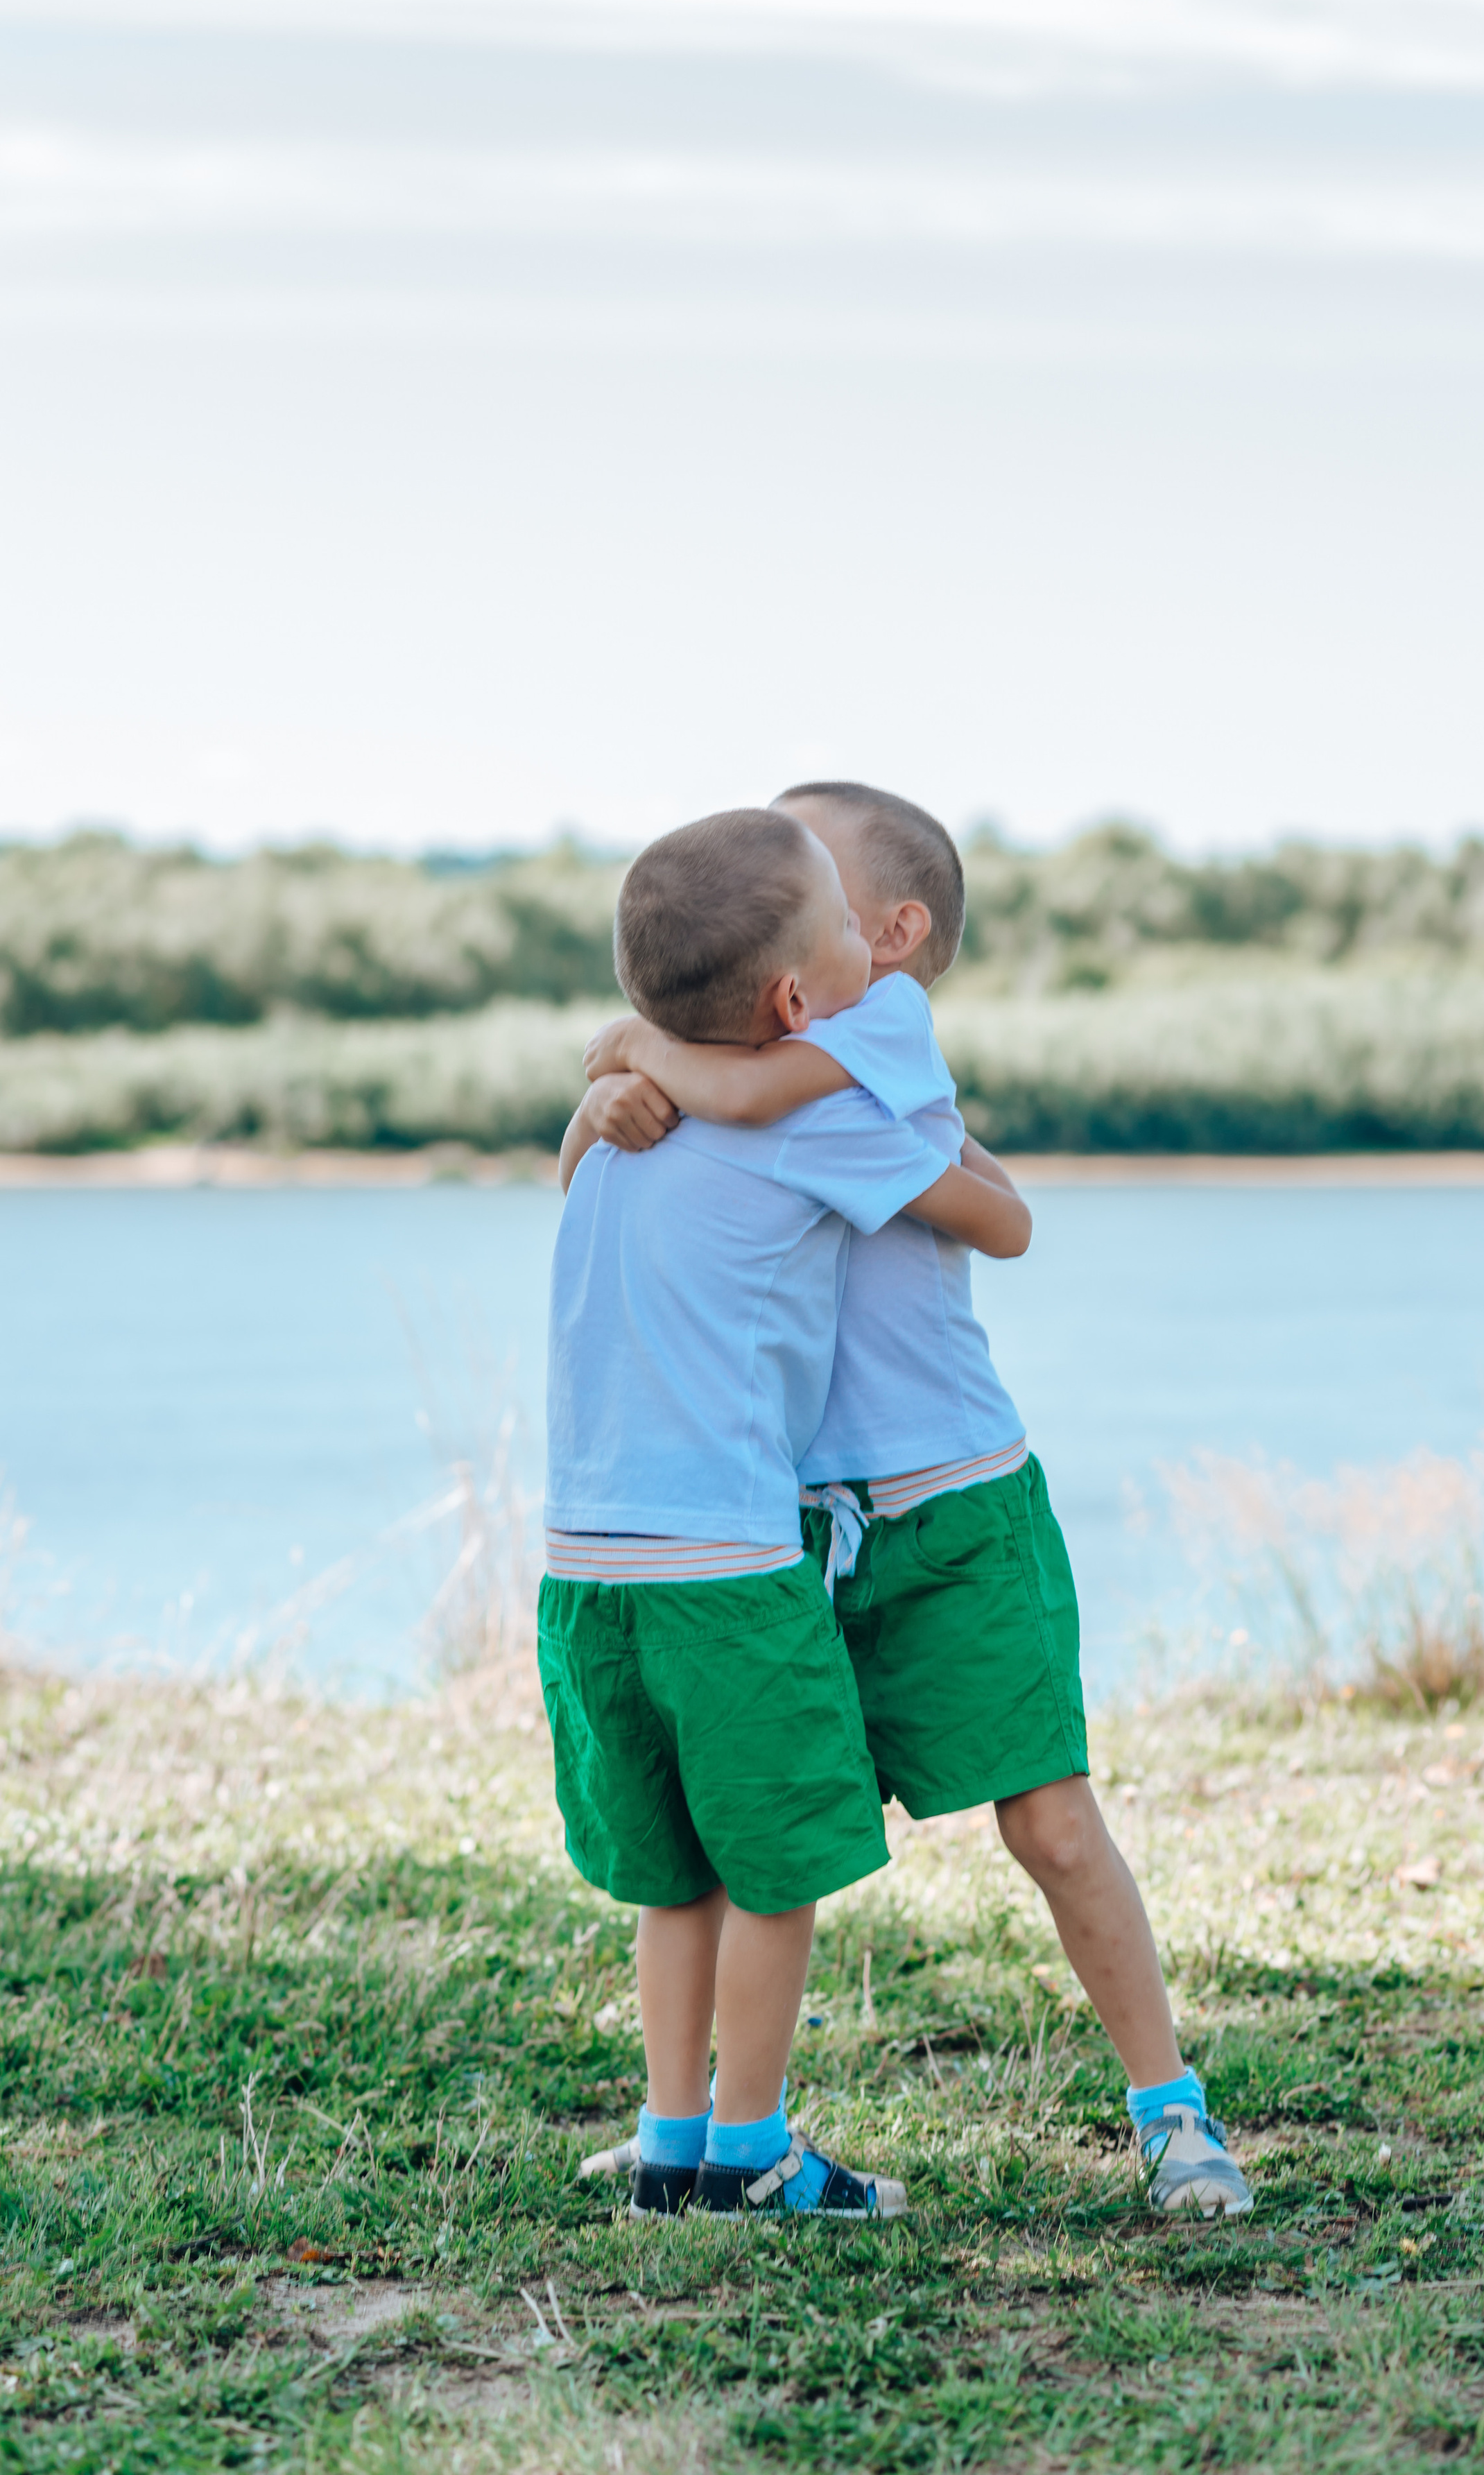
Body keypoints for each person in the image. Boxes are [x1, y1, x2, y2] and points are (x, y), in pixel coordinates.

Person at [570, 782, 1253, 2220]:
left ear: (886, 934)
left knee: (1049, 1824)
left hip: (947, 1503)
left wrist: (636, 1050)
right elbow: (666, 1145)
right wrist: (613, 1082)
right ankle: (688, 2130)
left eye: (816, 877)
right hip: (789, 1528)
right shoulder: (754, 1057)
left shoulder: (850, 1048)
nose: (789, 889)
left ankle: (1168, 2108)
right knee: (730, 1840)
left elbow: (979, 1208)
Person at [544, 804, 1030, 2222]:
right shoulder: (808, 1116)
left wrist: (619, 1069)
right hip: (729, 1561)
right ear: (793, 999)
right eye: (835, 921)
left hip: (583, 1566)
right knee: (774, 1865)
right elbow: (993, 1222)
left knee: (674, 1868)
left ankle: (669, 2135)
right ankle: (751, 2152)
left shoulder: (610, 1136)